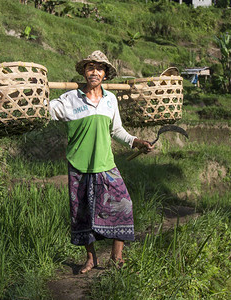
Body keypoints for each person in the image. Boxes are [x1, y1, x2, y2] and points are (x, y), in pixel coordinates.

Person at [48, 50, 153, 274]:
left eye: (99, 68)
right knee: (82, 213)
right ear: (85, 72)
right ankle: (90, 258)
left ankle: (117, 257)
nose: (94, 72)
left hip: (106, 165)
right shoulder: (69, 99)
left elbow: (117, 130)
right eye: (90, 68)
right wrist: (35, 95)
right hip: (79, 165)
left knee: (124, 205)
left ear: (105, 74)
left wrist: (136, 142)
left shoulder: (110, 100)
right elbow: (44, 111)